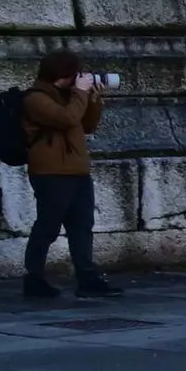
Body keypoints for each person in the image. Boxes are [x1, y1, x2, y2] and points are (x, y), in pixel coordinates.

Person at [19, 50, 118, 299]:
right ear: (60, 73)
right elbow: (67, 119)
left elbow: (86, 125)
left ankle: (87, 277)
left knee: (82, 226)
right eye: (73, 72)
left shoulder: (69, 97)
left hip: (77, 171)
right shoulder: (36, 99)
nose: (77, 77)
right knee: (48, 226)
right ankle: (33, 278)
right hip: (51, 172)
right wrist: (80, 93)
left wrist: (94, 99)